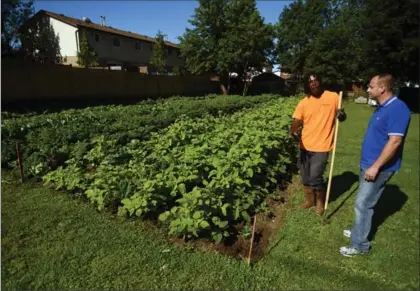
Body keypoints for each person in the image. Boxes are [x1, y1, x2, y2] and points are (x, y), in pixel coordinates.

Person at [340, 73, 411, 257]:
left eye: (371, 86)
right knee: (363, 203)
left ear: (382, 88)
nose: (368, 89)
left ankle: (360, 245)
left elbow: (394, 142)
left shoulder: (398, 109)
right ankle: (358, 230)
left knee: (363, 204)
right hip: (369, 164)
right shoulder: (382, 107)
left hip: (378, 168)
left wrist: (375, 166)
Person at [290, 73, 346, 215]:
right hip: (305, 145)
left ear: (320, 82)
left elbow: (342, 116)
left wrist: (341, 115)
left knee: (315, 176)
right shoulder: (304, 102)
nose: (313, 83)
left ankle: (320, 203)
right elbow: (297, 120)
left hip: (322, 145)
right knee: (305, 176)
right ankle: (310, 201)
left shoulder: (333, 97)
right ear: (307, 85)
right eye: (310, 82)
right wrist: (293, 130)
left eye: (315, 80)